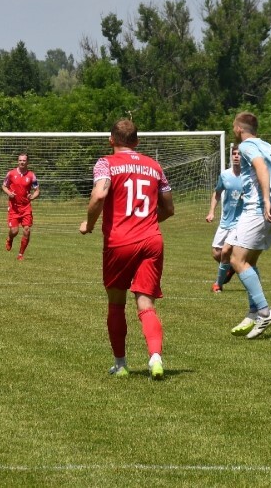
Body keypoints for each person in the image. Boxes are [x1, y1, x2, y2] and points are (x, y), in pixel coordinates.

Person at [80, 118, 175, 380]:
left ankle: (121, 364)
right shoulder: (155, 166)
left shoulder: (105, 163)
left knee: (116, 303)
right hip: (152, 240)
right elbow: (168, 209)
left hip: (119, 242)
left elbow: (99, 195)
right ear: (137, 142)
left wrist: (88, 224)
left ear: (111, 140)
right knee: (146, 303)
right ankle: (155, 356)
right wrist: (147, 222)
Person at [226, 111, 271, 340]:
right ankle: (254, 311)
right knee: (249, 261)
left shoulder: (246, 147)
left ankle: (265, 312)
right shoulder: (270, 148)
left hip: (258, 209)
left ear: (239, 129)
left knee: (237, 260)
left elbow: (261, 168)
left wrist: (265, 198)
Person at [205, 145, 243, 293]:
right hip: (225, 221)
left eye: (239, 154)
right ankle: (232, 267)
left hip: (240, 222)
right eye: (234, 154)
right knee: (216, 252)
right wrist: (211, 212)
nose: (236, 156)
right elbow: (217, 193)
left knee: (226, 250)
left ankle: (218, 285)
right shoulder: (225, 175)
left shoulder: (248, 176)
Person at [2, 153, 40, 261]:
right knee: (14, 231)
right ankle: (10, 238)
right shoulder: (10, 174)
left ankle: (20, 254)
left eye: (24, 160)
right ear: (17, 161)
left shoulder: (31, 175)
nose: (22, 162)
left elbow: (37, 190)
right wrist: (9, 193)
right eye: (20, 160)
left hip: (26, 207)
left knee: (27, 230)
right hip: (14, 207)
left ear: (27, 162)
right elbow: (4, 186)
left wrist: (32, 197)